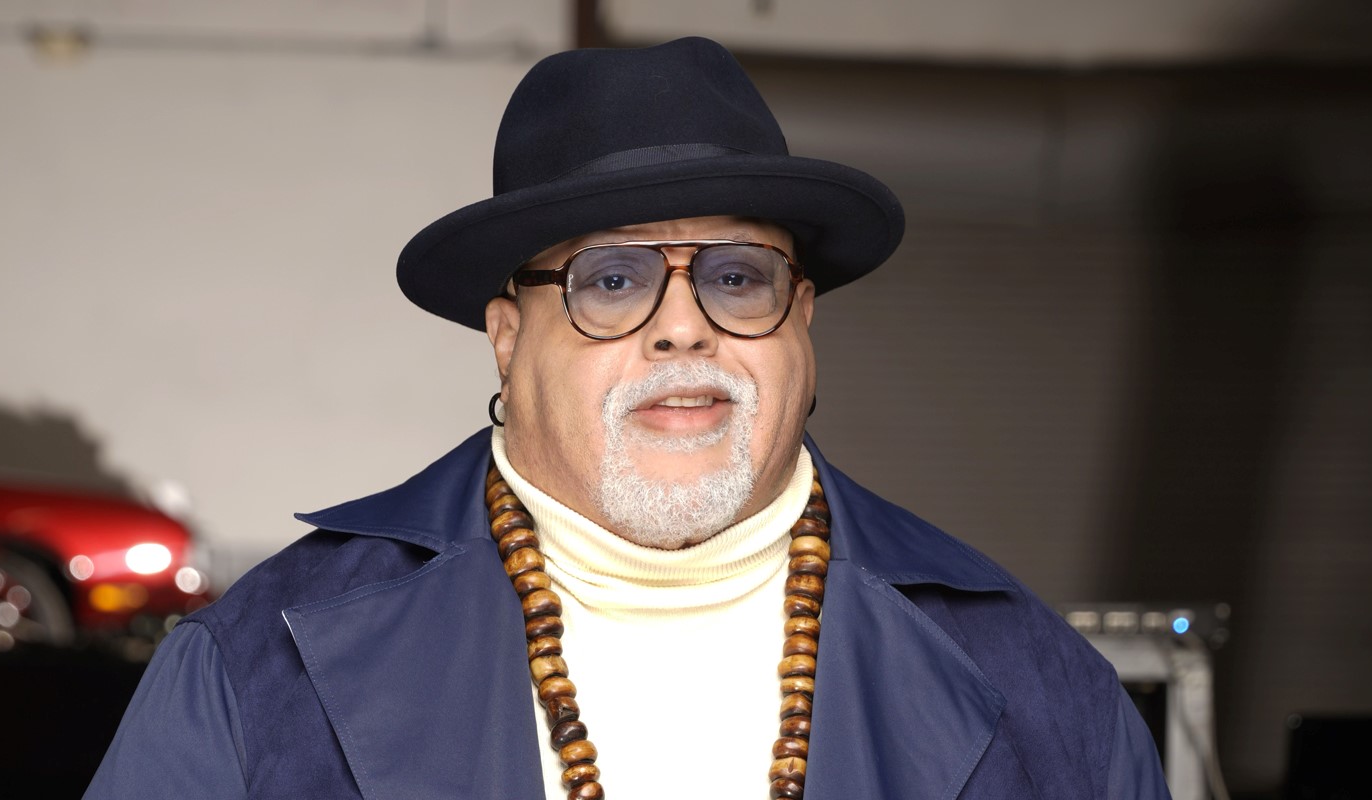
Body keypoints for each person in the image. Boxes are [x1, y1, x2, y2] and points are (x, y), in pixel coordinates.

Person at [86, 37, 1169, 800]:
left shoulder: (1035, 682)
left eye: (737, 277)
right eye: (611, 280)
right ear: (507, 336)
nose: (683, 329)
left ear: (802, 319)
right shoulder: (249, 672)